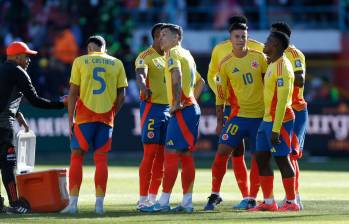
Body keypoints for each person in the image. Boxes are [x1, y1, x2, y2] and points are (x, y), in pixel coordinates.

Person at [61, 35, 128, 214]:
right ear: (104, 48)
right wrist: (113, 113)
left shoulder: (80, 61)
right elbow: (122, 96)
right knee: (101, 159)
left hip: (84, 118)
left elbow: (73, 93)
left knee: (76, 156)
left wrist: (70, 120)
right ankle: (99, 206)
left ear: (89, 48)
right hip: (106, 118)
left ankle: (73, 205)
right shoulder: (117, 63)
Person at [204, 23, 267, 211]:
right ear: (230, 39)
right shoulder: (225, 64)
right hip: (238, 116)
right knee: (222, 151)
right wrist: (219, 121)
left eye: (243, 36)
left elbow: (270, 86)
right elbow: (221, 95)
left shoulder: (260, 58)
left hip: (259, 117)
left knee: (258, 157)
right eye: (237, 36)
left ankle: (251, 198)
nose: (241, 39)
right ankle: (215, 194)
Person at [141, 24, 203, 213]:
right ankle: (186, 202)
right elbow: (201, 82)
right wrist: (190, 101)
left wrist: (177, 102)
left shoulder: (172, 54)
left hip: (182, 109)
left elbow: (176, 75)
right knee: (185, 155)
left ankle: (163, 202)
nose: (161, 39)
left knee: (171, 154)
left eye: (165, 35)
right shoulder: (187, 55)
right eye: (160, 36)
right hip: (191, 108)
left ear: (177, 38)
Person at [0, 41, 65, 214]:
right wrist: (61, 104)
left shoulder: (3, 69)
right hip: (3, 126)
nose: (29, 60)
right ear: (17, 57)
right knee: (7, 165)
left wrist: (18, 113)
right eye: (26, 56)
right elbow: (35, 100)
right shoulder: (18, 71)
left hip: (4, 120)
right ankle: (16, 204)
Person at [249, 31, 300, 212]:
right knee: (261, 158)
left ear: (277, 45)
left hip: (280, 120)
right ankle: (269, 202)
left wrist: (276, 128)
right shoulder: (272, 63)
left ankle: (292, 202)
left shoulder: (282, 68)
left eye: (269, 41)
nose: (265, 43)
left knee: (281, 159)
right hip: (266, 120)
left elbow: (282, 100)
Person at [271, 22, 307, 210]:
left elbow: (300, 79)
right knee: (284, 155)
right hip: (281, 111)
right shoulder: (274, 57)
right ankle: (291, 196)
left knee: (292, 155)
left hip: (296, 109)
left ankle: (294, 197)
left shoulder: (293, 54)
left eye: (273, 35)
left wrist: (286, 76)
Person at [135, 23, 169, 209]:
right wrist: (143, 87)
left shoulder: (172, 56)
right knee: (150, 154)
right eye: (164, 35)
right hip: (152, 109)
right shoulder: (145, 56)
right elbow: (141, 74)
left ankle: (152, 197)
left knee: (163, 156)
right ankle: (142, 199)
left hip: (170, 109)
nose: (167, 38)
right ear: (156, 36)